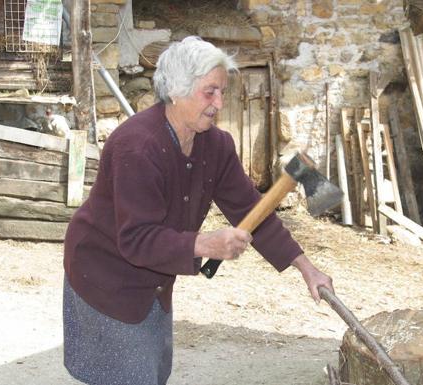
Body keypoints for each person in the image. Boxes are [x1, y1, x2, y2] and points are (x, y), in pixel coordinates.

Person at [62, 36, 334, 385]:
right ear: (176, 90)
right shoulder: (136, 146)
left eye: (222, 91)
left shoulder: (215, 146)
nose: (219, 102)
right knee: (128, 375)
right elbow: (136, 238)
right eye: (210, 92)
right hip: (104, 274)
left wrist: (306, 269)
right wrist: (204, 245)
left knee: (152, 371)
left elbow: (253, 211)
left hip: (155, 282)